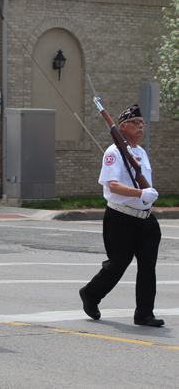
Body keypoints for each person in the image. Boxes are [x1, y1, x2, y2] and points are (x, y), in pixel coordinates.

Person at [79, 104, 163, 327]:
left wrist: (146, 196)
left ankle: (144, 313)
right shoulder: (113, 153)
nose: (141, 126)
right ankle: (90, 294)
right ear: (122, 126)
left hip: (145, 219)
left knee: (147, 267)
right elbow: (113, 186)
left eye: (142, 122)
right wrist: (140, 192)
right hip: (121, 217)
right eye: (136, 122)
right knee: (118, 264)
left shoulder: (141, 153)